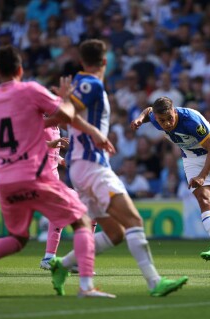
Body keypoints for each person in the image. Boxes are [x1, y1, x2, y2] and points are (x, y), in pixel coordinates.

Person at [0, 45, 116, 298]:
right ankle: (86, 286)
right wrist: (65, 96)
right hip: (34, 174)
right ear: (20, 69)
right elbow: (65, 116)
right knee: (83, 221)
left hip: (4, 178)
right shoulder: (31, 90)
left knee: (17, 238)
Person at [57, 39, 187, 297]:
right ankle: (154, 282)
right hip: (91, 165)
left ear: (82, 61)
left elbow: (65, 113)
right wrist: (89, 127)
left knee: (115, 233)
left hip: (82, 167)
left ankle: (62, 265)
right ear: (105, 62)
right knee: (133, 220)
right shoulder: (90, 84)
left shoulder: (85, 85)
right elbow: (67, 112)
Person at [131, 96, 210, 275]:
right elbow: (148, 111)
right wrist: (139, 119)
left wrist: (202, 176)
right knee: (203, 198)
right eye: (162, 120)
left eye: (170, 118)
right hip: (191, 157)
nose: (167, 123)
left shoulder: (191, 121)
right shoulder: (155, 118)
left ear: (174, 111)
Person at [38, 125, 70, 270]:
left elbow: (52, 155)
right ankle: (80, 258)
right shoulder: (41, 123)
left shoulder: (56, 128)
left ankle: (49, 257)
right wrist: (51, 143)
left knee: (59, 214)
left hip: (54, 181)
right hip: (42, 179)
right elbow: (29, 143)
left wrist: (64, 161)